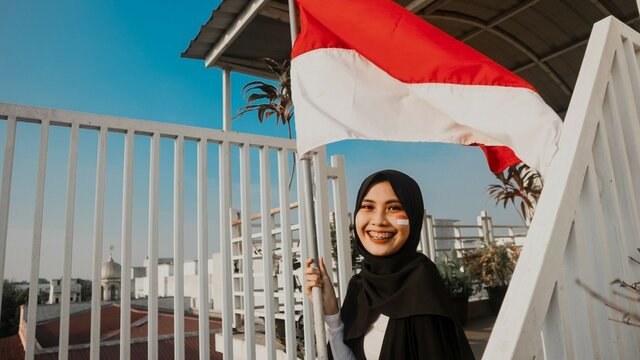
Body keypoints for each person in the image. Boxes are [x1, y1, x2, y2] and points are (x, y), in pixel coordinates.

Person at [305, 169, 475, 359]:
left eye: (393, 208)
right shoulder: (361, 286)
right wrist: (332, 313)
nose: (378, 221)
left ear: (413, 216)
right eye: (368, 207)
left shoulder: (421, 287)